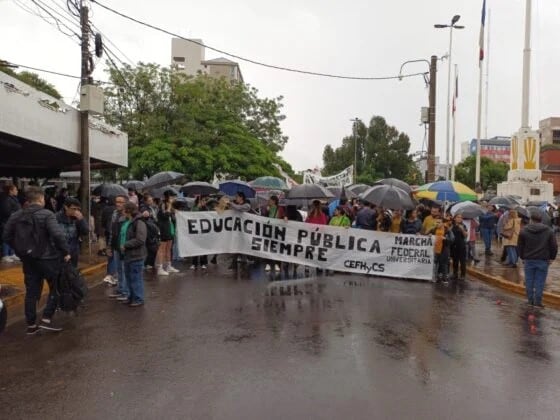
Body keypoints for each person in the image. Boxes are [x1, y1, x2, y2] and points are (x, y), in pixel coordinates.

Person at [2, 187, 71, 334]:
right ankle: (46, 318)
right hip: (48, 259)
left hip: (28, 260)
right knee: (56, 288)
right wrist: (65, 251)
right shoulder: (47, 214)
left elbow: (6, 236)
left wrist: (20, 252)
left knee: (31, 292)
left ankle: (31, 325)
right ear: (41, 199)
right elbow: (58, 235)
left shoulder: (16, 215)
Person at [518, 211, 558, 308]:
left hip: (529, 259)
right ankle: (538, 302)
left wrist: (522, 257)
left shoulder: (524, 230)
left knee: (529, 281)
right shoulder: (548, 231)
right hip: (543, 259)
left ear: (531, 220)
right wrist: (552, 258)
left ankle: (530, 300)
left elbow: (520, 246)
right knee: (540, 281)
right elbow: (554, 246)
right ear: (541, 220)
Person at [120, 202, 147, 307]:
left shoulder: (139, 222)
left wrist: (126, 245)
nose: (122, 211)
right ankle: (131, 296)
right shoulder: (129, 221)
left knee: (136, 278)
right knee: (129, 277)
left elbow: (140, 239)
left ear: (128, 210)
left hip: (136, 255)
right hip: (128, 255)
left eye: (124, 209)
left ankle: (138, 298)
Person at [107, 195, 129, 300]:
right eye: (117, 201)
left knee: (125, 270)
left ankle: (125, 292)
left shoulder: (128, 215)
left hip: (124, 247)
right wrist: (110, 246)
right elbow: (112, 231)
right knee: (119, 269)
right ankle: (120, 289)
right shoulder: (114, 213)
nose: (118, 204)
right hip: (116, 246)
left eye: (121, 202)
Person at [56, 197, 89, 268]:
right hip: (60, 252)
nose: (76, 211)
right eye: (73, 209)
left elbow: (85, 231)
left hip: (73, 251)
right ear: (66, 207)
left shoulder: (77, 218)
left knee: (72, 274)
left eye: (77, 209)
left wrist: (81, 220)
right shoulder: (56, 217)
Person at [156, 190, 179, 276]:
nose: (173, 198)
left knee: (169, 248)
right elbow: (164, 216)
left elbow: (172, 217)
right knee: (162, 248)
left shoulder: (171, 206)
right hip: (163, 229)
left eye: (174, 197)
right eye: (171, 197)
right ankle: (160, 268)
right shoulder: (162, 205)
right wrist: (169, 208)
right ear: (167, 197)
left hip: (170, 229)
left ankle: (168, 266)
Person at [429, 214, 454, 283]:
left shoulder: (447, 230)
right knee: (435, 263)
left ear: (442, 223)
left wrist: (445, 238)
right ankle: (434, 277)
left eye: (439, 222)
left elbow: (452, 239)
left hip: (444, 249)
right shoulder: (433, 229)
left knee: (444, 264)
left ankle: (444, 278)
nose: (437, 224)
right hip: (435, 249)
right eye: (436, 222)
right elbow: (426, 235)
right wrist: (429, 235)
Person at [0, 184, 21, 263]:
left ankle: (12, 253)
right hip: (7, 222)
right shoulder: (7, 200)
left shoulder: (14, 199)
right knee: (6, 238)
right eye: (15, 189)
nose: (17, 191)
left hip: (13, 222)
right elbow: (7, 211)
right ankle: (5, 255)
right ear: (10, 191)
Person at [140, 193, 159, 271]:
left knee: (153, 247)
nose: (151, 201)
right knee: (152, 248)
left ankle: (150, 263)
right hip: (148, 230)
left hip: (153, 228)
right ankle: (147, 264)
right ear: (145, 201)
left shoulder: (152, 207)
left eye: (151, 200)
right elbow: (145, 215)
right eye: (149, 200)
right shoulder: (143, 207)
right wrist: (148, 214)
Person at [190, 196, 209, 270]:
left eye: (205, 200)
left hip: (204, 231)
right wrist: (197, 208)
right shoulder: (194, 208)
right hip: (196, 230)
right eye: (202, 200)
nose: (204, 202)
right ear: (198, 201)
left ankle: (203, 263)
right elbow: (191, 216)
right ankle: (194, 263)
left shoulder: (206, 208)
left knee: (203, 247)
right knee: (195, 247)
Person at [450, 213, 468, 280]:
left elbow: (466, 236)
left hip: (461, 245)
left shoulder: (463, 225)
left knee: (462, 261)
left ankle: (463, 275)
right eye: (458, 217)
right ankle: (455, 274)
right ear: (454, 218)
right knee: (455, 260)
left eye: (461, 217)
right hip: (454, 245)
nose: (459, 219)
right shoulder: (452, 225)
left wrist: (462, 229)